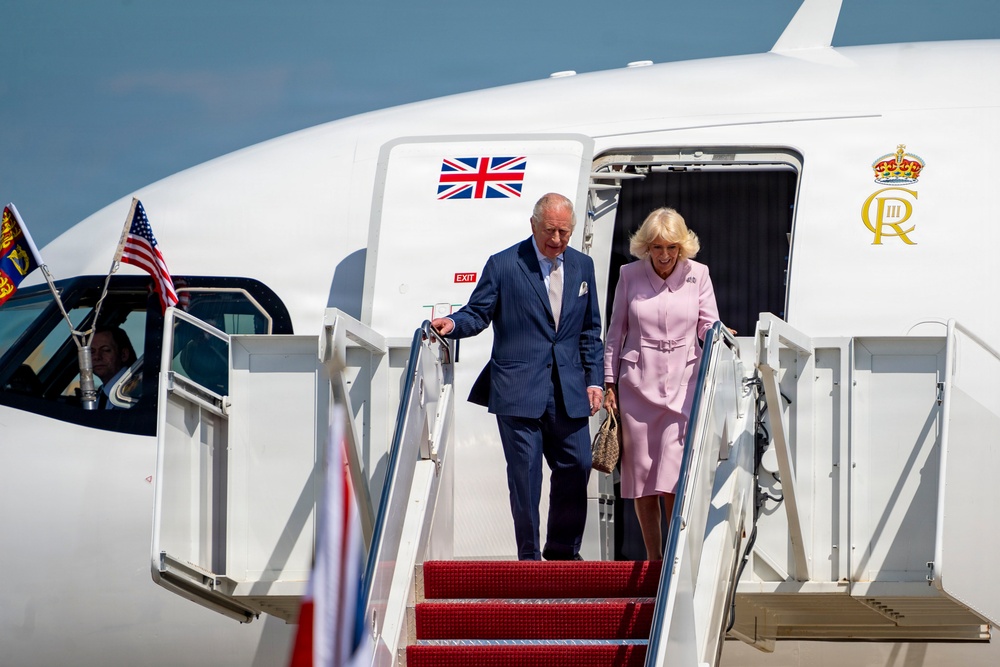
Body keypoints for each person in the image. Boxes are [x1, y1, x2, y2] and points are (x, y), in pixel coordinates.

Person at [431, 192, 604, 561]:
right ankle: (530, 557)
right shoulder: (504, 264)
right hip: (518, 389)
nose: (556, 239)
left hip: (568, 389)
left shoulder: (583, 266)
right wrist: (453, 324)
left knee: (577, 465)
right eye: (550, 230)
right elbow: (477, 313)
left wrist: (594, 380)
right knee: (525, 477)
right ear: (533, 225)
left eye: (564, 232)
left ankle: (562, 552)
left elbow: (590, 331)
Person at [603, 207, 720, 561]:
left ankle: (673, 558)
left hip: (683, 384)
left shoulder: (698, 274)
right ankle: (654, 558)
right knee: (642, 478)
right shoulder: (629, 275)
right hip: (637, 386)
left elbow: (707, 323)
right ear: (646, 247)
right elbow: (616, 332)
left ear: (682, 246)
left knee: (671, 475)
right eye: (657, 247)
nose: (665, 255)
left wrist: (717, 333)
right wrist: (608, 383)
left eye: (671, 247)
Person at [91, 326, 137, 409]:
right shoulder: (100, 395)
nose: (97, 357)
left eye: (105, 350)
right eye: (92, 351)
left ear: (124, 355)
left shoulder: (135, 392)